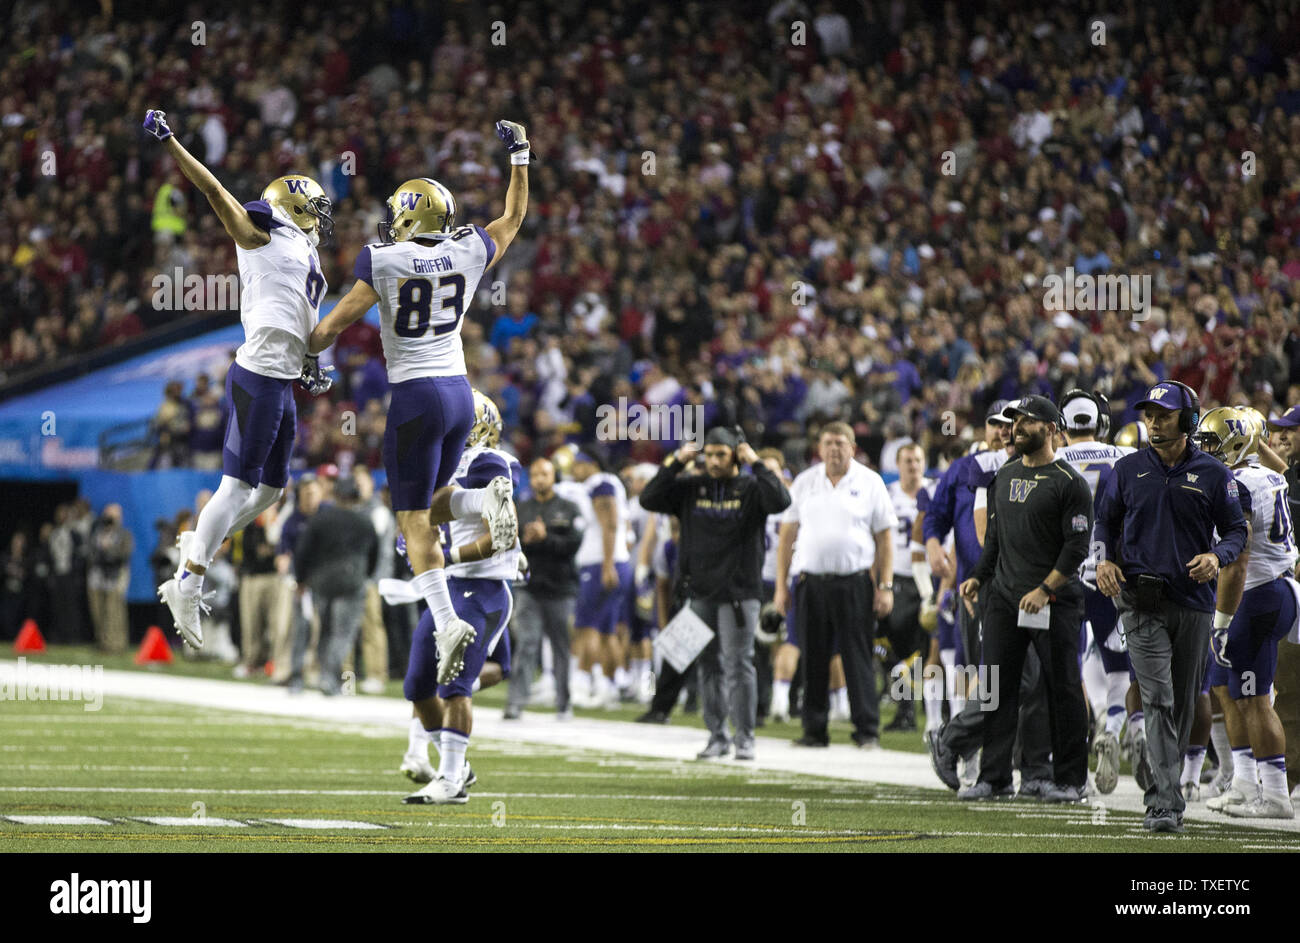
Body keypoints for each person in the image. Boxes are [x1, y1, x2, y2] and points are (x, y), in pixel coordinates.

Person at [309, 120, 530, 687]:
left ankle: (448, 620)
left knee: (410, 517)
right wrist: (521, 156)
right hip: (460, 392)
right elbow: (512, 219)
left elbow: (335, 323)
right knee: (432, 506)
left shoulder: (383, 261)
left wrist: (298, 350)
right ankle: (483, 502)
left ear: (411, 215)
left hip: (413, 394)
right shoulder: (468, 248)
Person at [144, 109, 337, 650]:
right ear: (294, 208)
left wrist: (309, 360)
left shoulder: (303, 248)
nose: (322, 216)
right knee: (236, 487)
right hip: (258, 377)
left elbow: (296, 314)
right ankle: (189, 578)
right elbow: (212, 189)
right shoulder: (261, 234)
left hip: (282, 378)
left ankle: (198, 546)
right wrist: (174, 142)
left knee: (273, 490)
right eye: (314, 208)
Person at [1095, 381, 1250, 833]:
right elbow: (1105, 520)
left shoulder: (1215, 474)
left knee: (1182, 703)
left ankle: (1161, 775)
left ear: (1188, 420)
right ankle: (1164, 801)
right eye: (1149, 414)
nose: (1153, 422)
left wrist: (1216, 556)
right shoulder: (1126, 470)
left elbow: (1237, 532)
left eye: (1163, 415)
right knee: (1158, 697)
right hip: (1139, 600)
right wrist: (1104, 558)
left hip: (1193, 600)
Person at [959, 395, 1094, 802]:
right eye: (1015, 422)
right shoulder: (1004, 475)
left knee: (1062, 687)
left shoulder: (1070, 482)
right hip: (1004, 596)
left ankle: (1070, 779)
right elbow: (995, 539)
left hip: (1053, 600)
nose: (1017, 428)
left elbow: (1076, 548)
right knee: (997, 687)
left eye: (1027, 422)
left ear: (1051, 428)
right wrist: (978, 577)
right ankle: (995, 776)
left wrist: (1045, 589)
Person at [639, 427, 791, 760]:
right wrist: (678, 462)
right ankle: (717, 736)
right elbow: (648, 498)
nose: (714, 461)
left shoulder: (751, 488)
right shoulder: (692, 486)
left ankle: (745, 738)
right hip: (701, 592)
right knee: (708, 667)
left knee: (739, 665)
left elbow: (781, 501)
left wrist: (757, 463)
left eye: (722, 454)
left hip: (739, 592)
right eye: (709, 454)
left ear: (736, 455)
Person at [402, 396, 523, 804]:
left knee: (456, 684)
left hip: (482, 586)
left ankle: (451, 777)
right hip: (447, 586)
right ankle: (456, 767)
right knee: (418, 685)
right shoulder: (436, 464)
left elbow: (501, 533)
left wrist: (447, 554)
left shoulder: (486, 461)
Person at [1193, 408, 1298, 818]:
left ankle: (1274, 793)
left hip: (1258, 593)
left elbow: (1236, 561)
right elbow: (1282, 466)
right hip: (1266, 589)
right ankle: (1241, 781)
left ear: (1235, 445)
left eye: (1211, 442)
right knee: (1225, 687)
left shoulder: (1236, 485)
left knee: (1254, 697)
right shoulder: (1267, 474)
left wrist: (1221, 624)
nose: (1203, 449)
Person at [775, 421, 897, 748]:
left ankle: (867, 729)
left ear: (852, 447)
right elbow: (787, 536)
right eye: (828, 442)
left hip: (855, 582)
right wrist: (781, 586)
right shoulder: (804, 482)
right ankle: (814, 730)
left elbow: (885, 538)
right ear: (819, 447)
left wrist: (885, 585)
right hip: (810, 582)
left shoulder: (870, 482)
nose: (833, 449)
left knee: (857, 655)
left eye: (840, 443)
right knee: (812, 656)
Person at [1054, 389, 1135, 794]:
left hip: (1063, 579)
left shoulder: (1052, 461)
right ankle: (1117, 725)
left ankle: (1067, 759)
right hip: (1110, 576)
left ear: (1063, 426)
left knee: (1065, 672)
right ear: (1100, 423)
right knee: (1120, 668)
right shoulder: (1124, 459)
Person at [505, 457, 584, 720]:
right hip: (529, 587)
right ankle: (515, 703)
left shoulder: (569, 508)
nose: (540, 479)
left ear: (554, 477)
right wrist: (528, 541)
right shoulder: (521, 508)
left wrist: (545, 538)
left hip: (561, 589)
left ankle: (563, 703)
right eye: (536, 474)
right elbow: (509, 545)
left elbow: (573, 544)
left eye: (545, 474)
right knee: (527, 644)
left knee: (561, 646)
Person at [294, 476, 380, 695]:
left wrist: (301, 579)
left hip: (322, 581)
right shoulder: (365, 522)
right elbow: (374, 556)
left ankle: (321, 675)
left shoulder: (321, 519)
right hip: (352, 581)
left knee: (324, 630)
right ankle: (328, 678)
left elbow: (304, 551)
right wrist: (366, 576)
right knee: (342, 634)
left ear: (335, 495)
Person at [564, 450, 634, 708]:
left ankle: (582, 683)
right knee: (606, 629)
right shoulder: (610, 483)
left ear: (590, 464)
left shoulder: (600, 484)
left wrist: (606, 565)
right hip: (615, 560)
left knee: (587, 626)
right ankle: (610, 685)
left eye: (577, 465)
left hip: (600, 563)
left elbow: (611, 524)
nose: (573, 470)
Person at [878, 442, 933, 731]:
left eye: (918, 460)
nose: (913, 465)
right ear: (897, 465)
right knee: (897, 645)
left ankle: (938, 709)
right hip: (898, 577)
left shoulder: (935, 491)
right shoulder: (887, 495)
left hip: (928, 579)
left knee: (932, 645)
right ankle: (905, 709)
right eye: (908, 461)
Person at [1265, 404, 1300, 794]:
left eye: (1292, 428)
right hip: (1291, 591)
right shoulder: (1287, 477)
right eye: (1280, 429)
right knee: (1288, 685)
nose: (1284, 434)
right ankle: (1288, 775)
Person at [87, 504, 133, 654]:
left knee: (115, 610)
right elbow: (90, 552)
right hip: (98, 576)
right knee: (98, 610)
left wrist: (109, 550)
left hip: (116, 575)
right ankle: (103, 642)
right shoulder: (97, 533)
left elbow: (125, 554)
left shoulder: (124, 534)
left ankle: (117, 644)